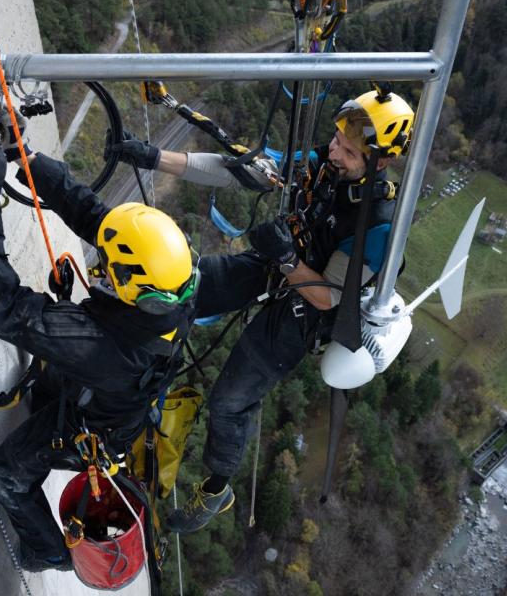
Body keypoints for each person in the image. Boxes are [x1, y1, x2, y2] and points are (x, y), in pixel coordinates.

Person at [117, 88, 415, 533]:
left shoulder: (378, 224)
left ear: (382, 162)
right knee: (185, 283)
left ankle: (216, 490)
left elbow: (326, 297)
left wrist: (287, 258)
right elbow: (239, 171)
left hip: (303, 310)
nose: (334, 152)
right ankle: (121, 369)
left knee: (229, 401)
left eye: (349, 152)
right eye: (336, 140)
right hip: (278, 263)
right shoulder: (322, 164)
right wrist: (153, 158)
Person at [0, 123, 209, 571]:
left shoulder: (104, 349)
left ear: (133, 287)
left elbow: (3, 306)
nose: (101, 270)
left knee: (6, 474)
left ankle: (48, 550)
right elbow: (95, 217)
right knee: (44, 393)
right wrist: (29, 160)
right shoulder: (175, 285)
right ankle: (48, 401)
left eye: (110, 271)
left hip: (90, 430)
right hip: (113, 399)